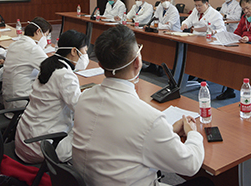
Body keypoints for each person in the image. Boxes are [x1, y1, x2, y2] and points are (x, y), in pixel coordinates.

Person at [72, 25, 209, 186]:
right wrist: (193, 134)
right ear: (138, 62)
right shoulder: (148, 118)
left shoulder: (85, 97)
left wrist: (168, 131)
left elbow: (123, 137)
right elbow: (191, 165)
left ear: (101, 65)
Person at [14, 29, 87, 164]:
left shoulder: (49, 64)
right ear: (73, 51)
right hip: (42, 145)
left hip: (26, 137)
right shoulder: (65, 75)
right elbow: (81, 109)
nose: (85, 55)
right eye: (84, 52)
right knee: (92, 132)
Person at [3, 17, 56, 110]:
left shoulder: (14, 44)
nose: (45, 38)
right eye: (46, 35)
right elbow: (53, 71)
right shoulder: (32, 49)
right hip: (22, 102)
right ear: (38, 31)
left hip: (10, 98)